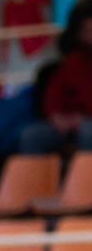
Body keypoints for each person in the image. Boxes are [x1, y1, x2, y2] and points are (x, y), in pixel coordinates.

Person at [21, 11, 92, 152]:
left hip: (86, 122)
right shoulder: (73, 61)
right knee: (30, 136)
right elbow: (53, 94)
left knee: (87, 131)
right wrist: (56, 117)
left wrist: (81, 119)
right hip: (66, 122)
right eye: (87, 31)